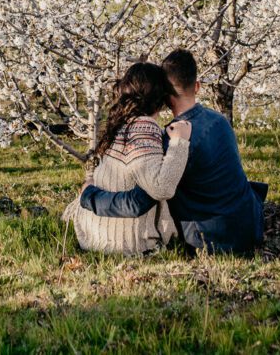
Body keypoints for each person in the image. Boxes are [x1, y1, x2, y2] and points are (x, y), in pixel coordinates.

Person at [79, 49, 265, 255]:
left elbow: (138, 201)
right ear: (197, 86)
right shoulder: (219, 120)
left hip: (211, 240)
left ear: (165, 97)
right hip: (249, 224)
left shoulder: (172, 139)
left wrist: (89, 196)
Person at [61, 62, 193, 255]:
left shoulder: (119, 124)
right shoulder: (144, 128)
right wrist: (179, 143)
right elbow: (162, 187)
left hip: (92, 236)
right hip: (130, 244)